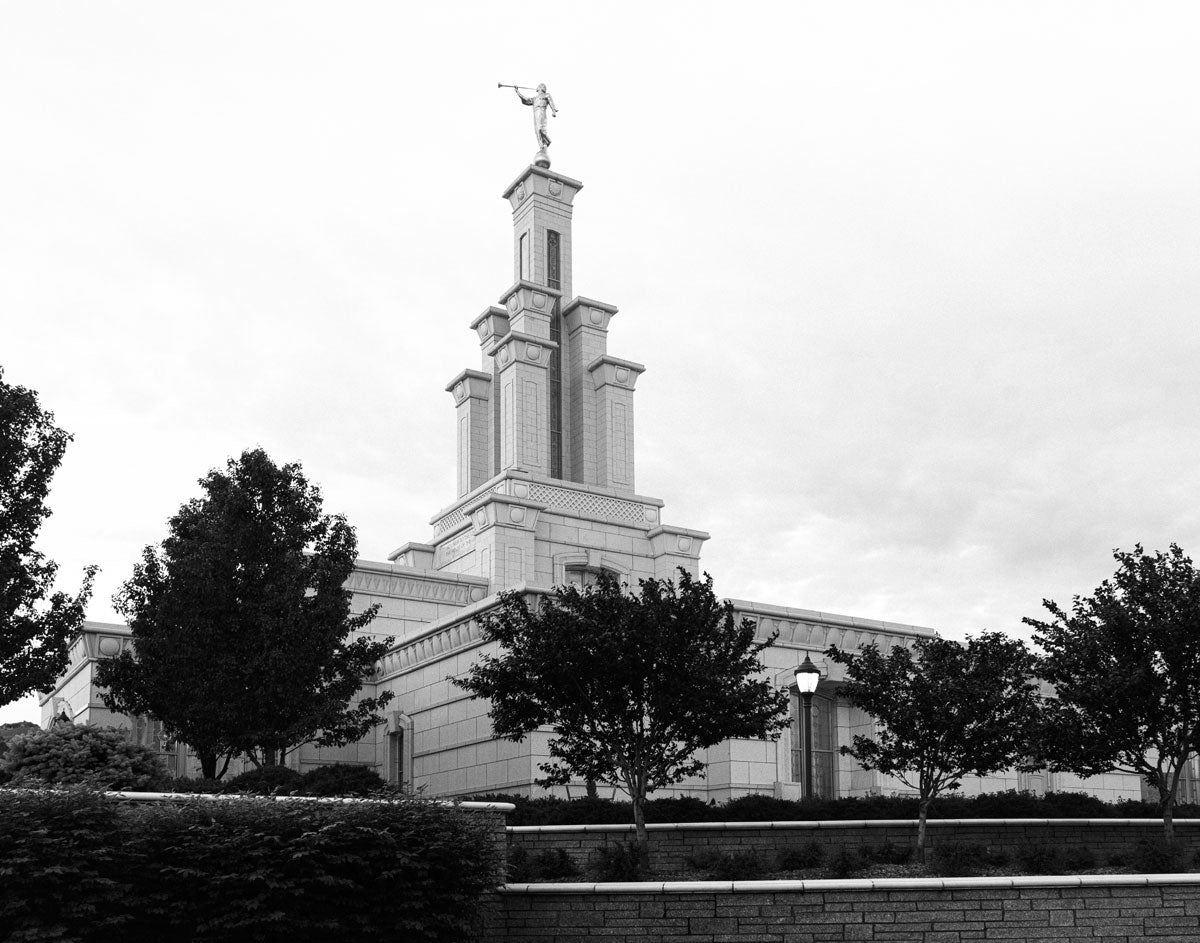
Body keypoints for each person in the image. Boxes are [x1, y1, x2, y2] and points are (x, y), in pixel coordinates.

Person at [514, 83, 557, 152]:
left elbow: (551, 102)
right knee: (537, 130)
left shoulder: (546, 95)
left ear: (541, 88)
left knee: (540, 128)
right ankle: (541, 147)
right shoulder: (535, 99)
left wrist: (554, 111)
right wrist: (517, 91)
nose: (536, 88)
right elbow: (525, 99)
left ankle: (547, 141)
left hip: (542, 111)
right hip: (535, 113)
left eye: (538, 86)